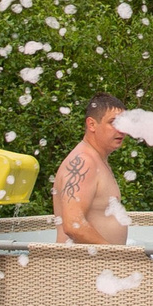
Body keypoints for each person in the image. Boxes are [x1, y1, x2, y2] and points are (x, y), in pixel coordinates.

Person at [55, 94, 129, 245]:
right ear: (92, 124)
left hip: (98, 265)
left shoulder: (97, 160)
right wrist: (116, 256)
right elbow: (73, 226)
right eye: (113, 122)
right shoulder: (84, 162)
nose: (121, 130)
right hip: (81, 266)